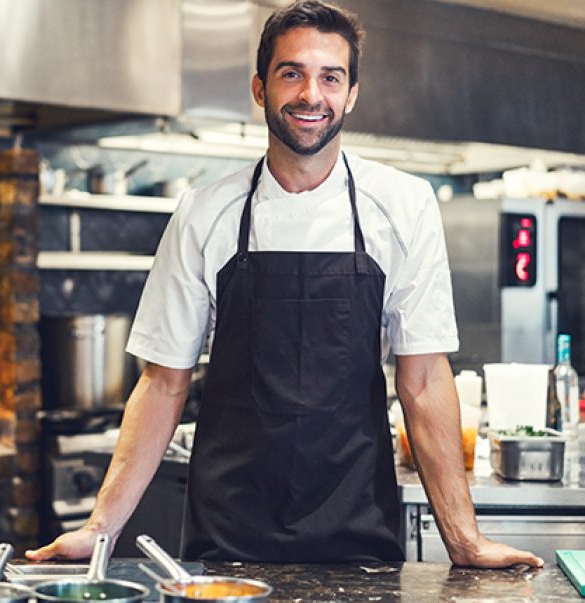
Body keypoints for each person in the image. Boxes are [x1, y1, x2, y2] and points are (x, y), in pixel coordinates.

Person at [27, 0, 543, 567]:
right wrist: (99, 529)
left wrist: (465, 542)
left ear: (351, 94)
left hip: (357, 526)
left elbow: (423, 381)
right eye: (291, 73)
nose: (310, 95)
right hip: (227, 532)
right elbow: (163, 382)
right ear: (259, 87)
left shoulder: (403, 205)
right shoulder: (205, 211)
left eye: (331, 77)